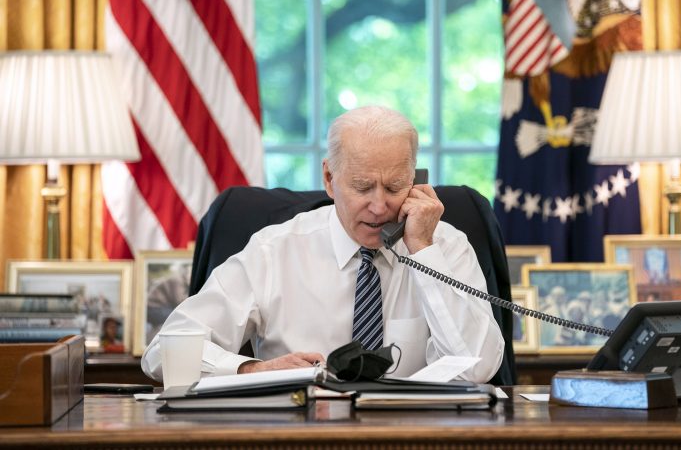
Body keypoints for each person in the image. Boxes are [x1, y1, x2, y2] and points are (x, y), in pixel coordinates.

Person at [141, 106, 504, 383]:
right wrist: (255, 368)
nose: (379, 207)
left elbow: (478, 368)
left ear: (416, 180)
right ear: (330, 179)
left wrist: (425, 252)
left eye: (395, 187)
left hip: (412, 437)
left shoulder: (445, 246)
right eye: (362, 187)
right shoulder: (274, 251)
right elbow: (164, 352)